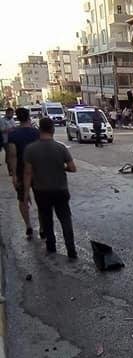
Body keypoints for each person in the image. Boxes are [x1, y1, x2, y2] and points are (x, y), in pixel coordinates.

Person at [23, 118, 78, 259]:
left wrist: (26, 193)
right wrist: (62, 167)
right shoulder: (61, 148)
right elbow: (72, 168)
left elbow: (28, 173)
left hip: (41, 191)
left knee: (47, 220)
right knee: (65, 220)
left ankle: (51, 247)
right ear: (52, 130)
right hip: (60, 190)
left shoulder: (30, 149)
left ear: (40, 130)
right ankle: (71, 250)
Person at [7, 107, 41, 239]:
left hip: (21, 171)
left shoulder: (13, 135)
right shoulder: (37, 133)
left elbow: (12, 155)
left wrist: (14, 175)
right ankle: (43, 227)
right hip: (38, 171)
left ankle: (28, 226)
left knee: (22, 199)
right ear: (28, 117)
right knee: (41, 199)